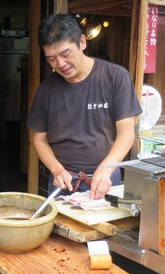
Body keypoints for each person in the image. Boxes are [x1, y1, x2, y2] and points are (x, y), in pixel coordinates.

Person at [27, 14, 142, 200]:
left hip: (106, 179)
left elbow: (126, 134)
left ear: (82, 42)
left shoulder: (115, 78)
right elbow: (39, 140)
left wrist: (104, 170)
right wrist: (57, 170)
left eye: (65, 54)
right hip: (63, 181)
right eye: (52, 59)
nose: (60, 64)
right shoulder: (46, 90)